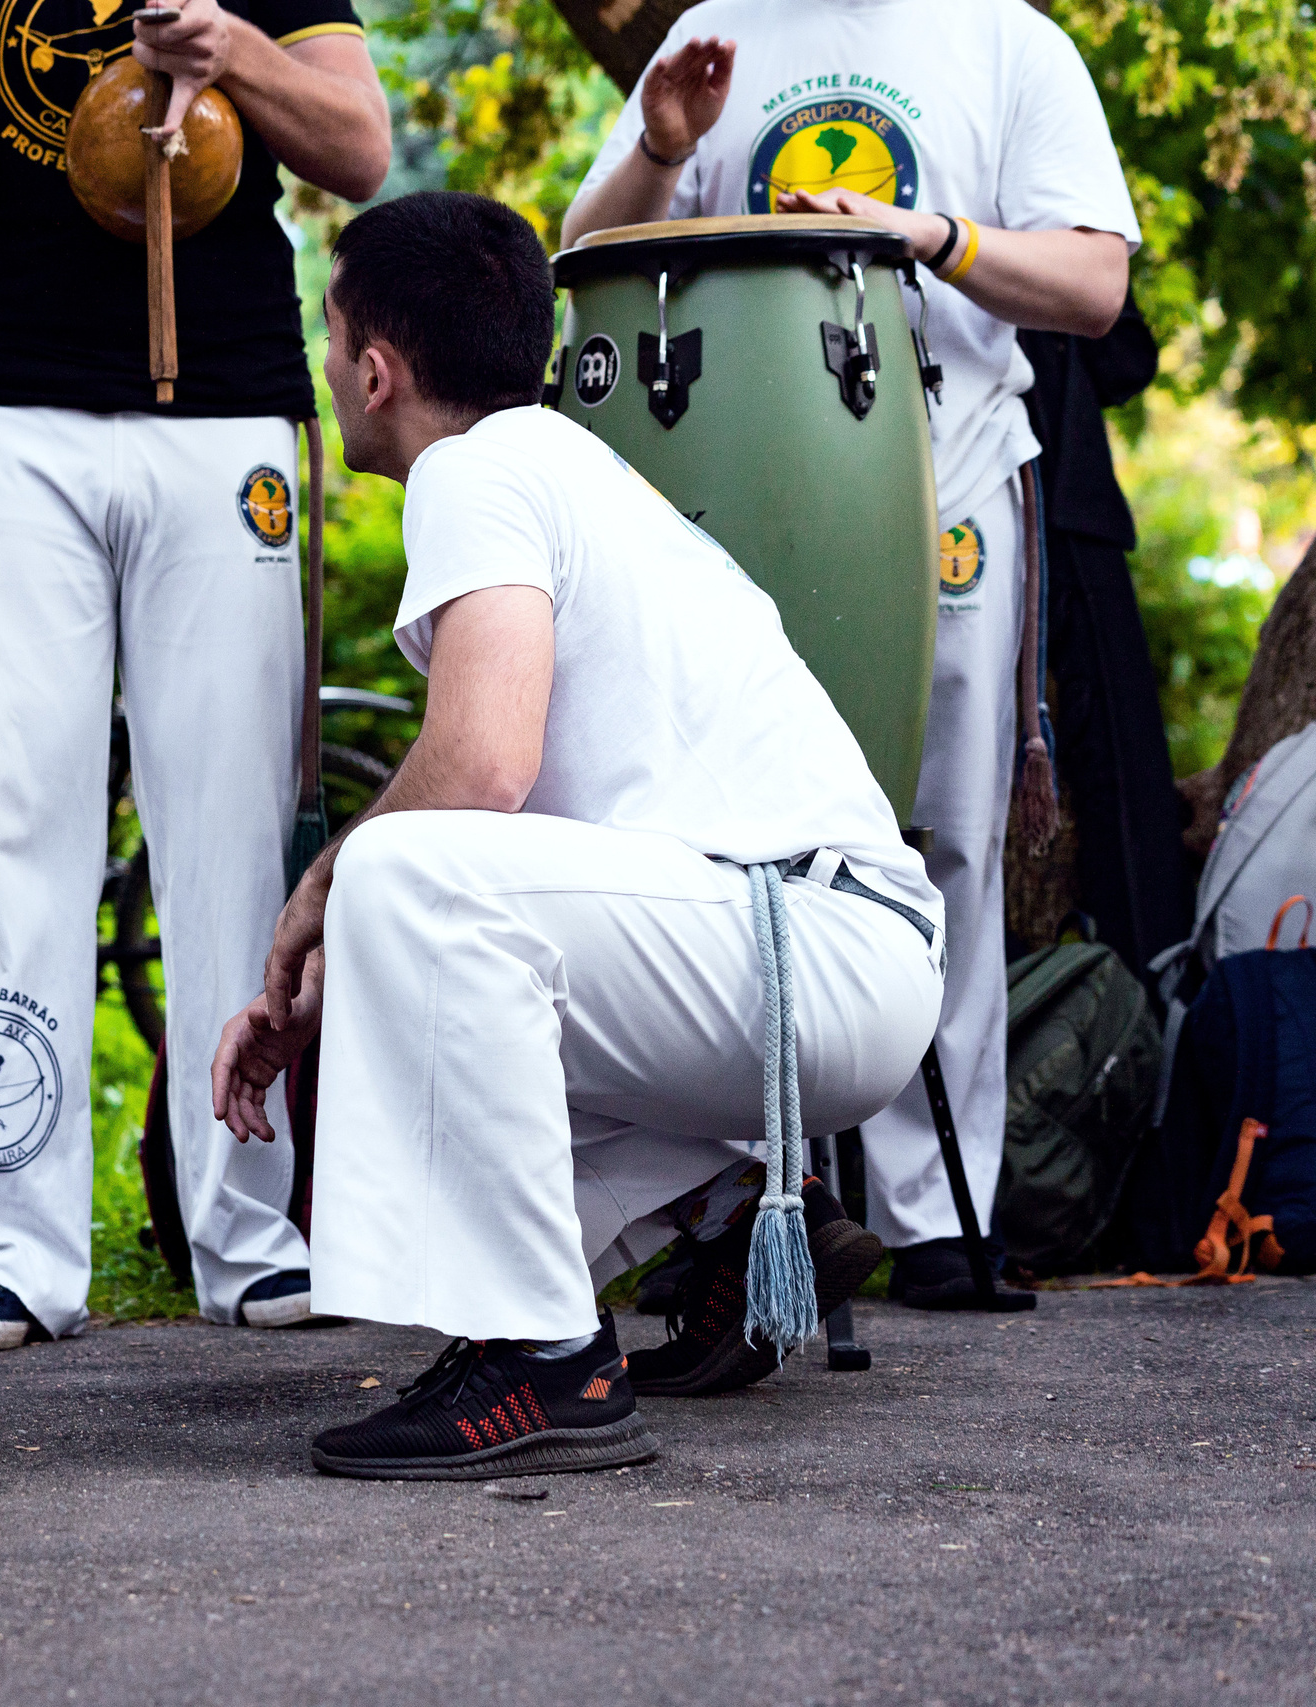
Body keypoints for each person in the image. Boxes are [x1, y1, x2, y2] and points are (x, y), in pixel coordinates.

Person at [212, 192, 940, 1478]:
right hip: (819, 956)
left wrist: (324, 891)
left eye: (330, 341)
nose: (327, 370)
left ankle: (543, 1358)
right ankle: (722, 1220)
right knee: (422, 907)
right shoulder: (566, 463)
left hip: (804, 954)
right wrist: (358, 965)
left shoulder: (476, 469)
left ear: (374, 372)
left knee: (399, 869)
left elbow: (483, 765)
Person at [560, 3, 1138, 1309]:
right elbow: (586, 252)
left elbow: (1097, 285)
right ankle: (756, 1210)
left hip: (953, 475)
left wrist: (932, 238)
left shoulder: (1005, 38)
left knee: (943, 843)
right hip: (743, 474)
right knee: (730, 840)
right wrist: (657, 150)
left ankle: (940, 1211)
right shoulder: (716, 25)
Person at [0, 0, 392, 1353]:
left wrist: (237, 55)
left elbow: (361, 149)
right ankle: (3, 1244)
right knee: (6, 814)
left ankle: (252, 1228)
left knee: (227, 823)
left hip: (220, 400)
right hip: (1, 400)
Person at [1020, 297, 1192, 975]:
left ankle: (1145, 1000)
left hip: (1066, 510)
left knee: (1123, 780)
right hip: (1023, 505)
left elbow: (1124, 355)